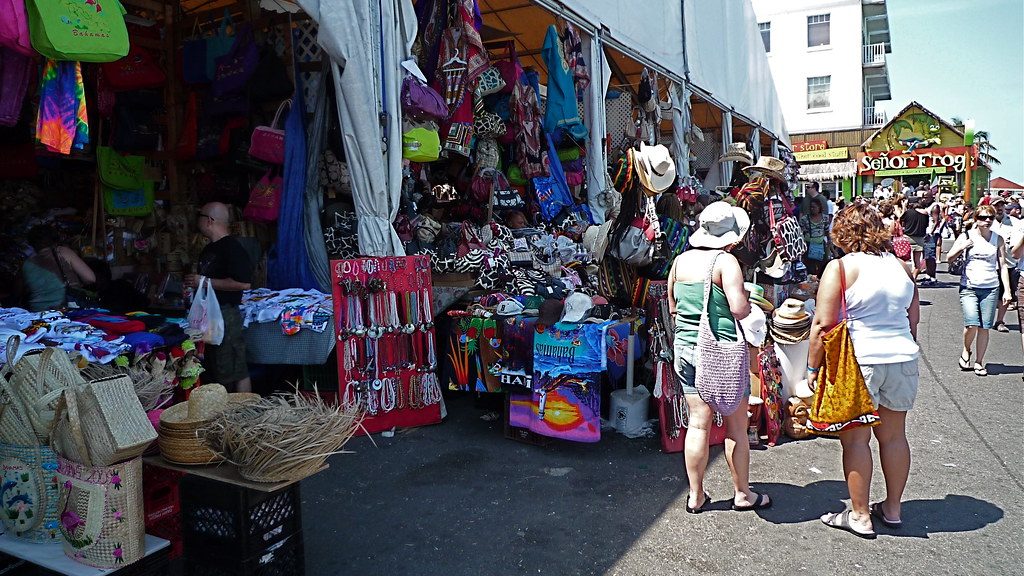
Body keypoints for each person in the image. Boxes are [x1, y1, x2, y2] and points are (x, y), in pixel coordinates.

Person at [808, 204, 920, 539]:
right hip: (902, 357)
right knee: (894, 436)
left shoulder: (841, 268)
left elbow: (823, 325)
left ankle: (859, 514)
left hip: (861, 361)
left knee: (857, 440)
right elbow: (913, 319)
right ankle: (893, 509)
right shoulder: (901, 266)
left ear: (842, 233)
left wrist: (813, 367)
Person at [667, 201, 770, 514]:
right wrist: (752, 306)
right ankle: (742, 494)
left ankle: (695, 496)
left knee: (698, 424)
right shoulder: (726, 262)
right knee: (737, 426)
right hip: (721, 351)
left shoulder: (680, 261)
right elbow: (738, 308)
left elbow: (673, 306)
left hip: (686, 347)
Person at [184, 203, 255, 393]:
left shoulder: (232, 248)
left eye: (199, 215)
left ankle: (244, 412)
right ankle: (221, 410)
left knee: (235, 366)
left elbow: (243, 283)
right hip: (209, 315)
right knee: (215, 365)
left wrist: (204, 281)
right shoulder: (209, 249)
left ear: (209, 220)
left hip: (225, 314)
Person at [946, 204, 1013, 377]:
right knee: (971, 323)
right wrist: (962, 247)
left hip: (990, 287)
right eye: (983, 218)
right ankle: (966, 350)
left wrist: (1007, 290)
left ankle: (979, 362)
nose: (987, 221)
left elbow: (1003, 265)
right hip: (969, 286)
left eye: (990, 218)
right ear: (976, 219)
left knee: (985, 327)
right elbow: (949, 258)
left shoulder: (997, 239)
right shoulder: (966, 236)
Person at [19, 225, 97, 312]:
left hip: (38, 312)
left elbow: (19, 291)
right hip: (66, 309)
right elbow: (90, 279)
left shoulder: (26, 263)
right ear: (54, 239)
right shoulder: (62, 252)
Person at [991, 198, 1020, 332]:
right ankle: (984, 319)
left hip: (1008, 264)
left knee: (1006, 293)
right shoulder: (986, 221)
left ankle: (999, 321)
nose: (1000, 208)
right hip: (989, 264)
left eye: (1002, 205)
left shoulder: (1014, 223)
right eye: (996, 205)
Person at [799, 196, 831, 277]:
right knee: (809, 266)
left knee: (822, 266)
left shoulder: (825, 218)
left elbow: (827, 231)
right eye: (811, 207)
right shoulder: (804, 219)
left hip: (821, 245)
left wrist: (829, 242)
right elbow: (800, 232)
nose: (812, 209)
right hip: (808, 245)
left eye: (814, 207)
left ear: (819, 207)